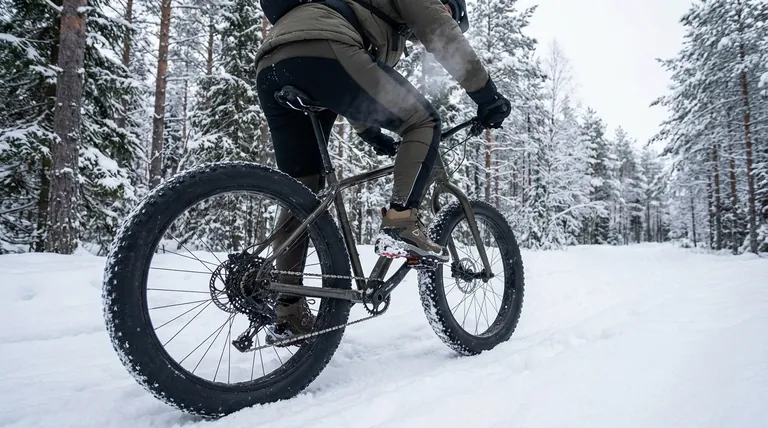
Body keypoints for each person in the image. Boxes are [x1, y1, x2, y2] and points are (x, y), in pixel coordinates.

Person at [255, 0, 511, 342]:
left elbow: (355, 86)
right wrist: (487, 95)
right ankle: (401, 221)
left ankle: (287, 307)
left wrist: (371, 134)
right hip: (324, 49)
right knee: (423, 120)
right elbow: (440, 33)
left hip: (272, 62)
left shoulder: (368, 13)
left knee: (303, 192)